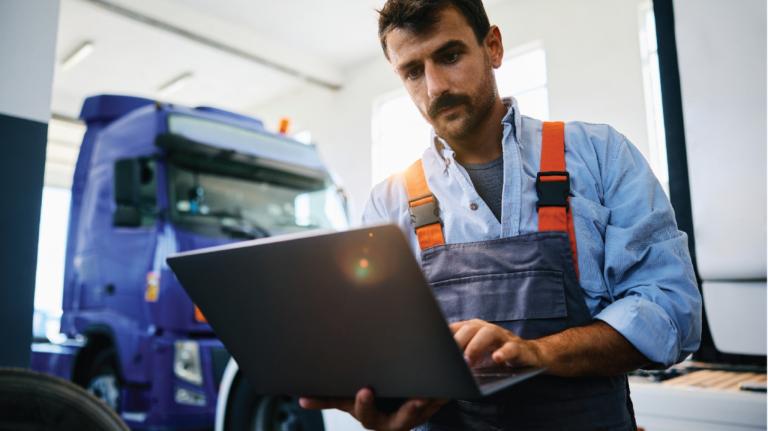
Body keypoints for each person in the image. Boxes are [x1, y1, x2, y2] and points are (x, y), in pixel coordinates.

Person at [300, 0, 702, 429]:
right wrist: (386, 402)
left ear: (492, 47)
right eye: (413, 71)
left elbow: (671, 310)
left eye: (449, 56)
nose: (435, 87)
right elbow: (383, 347)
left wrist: (537, 354)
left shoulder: (599, 155)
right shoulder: (389, 204)